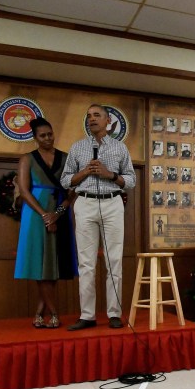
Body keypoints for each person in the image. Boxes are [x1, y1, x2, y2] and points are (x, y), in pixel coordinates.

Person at [60, 104, 136, 331]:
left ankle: (114, 313)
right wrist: (84, 172)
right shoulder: (77, 148)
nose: (92, 119)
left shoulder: (120, 148)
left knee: (114, 261)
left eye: (96, 115)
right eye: (89, 116)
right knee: (86, 263)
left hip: (112, 203)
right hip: (84, 203)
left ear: (107, 121)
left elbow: (131, 181)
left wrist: (109, 174)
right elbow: (65, 181)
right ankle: (87, 315)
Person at [14, 118, 78, 329]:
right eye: (42, 135)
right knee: (40, 264)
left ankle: (40, 313)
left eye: (50, 134)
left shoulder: (67, 158)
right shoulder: (27, 159)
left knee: (53, 264)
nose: (48, 138)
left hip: (60, 213)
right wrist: (44, 215)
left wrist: (57, 214)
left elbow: (73, 191)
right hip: (35, 215)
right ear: (35, 138)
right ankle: (54, 313)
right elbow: (24, 191)